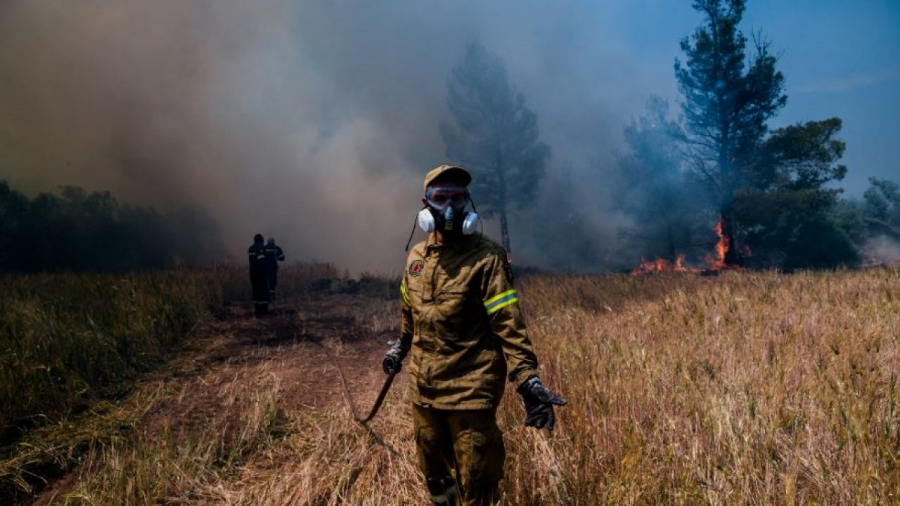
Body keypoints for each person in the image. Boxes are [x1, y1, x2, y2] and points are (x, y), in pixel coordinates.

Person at [382, 164, 566, 506]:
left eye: (458, 198)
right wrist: (400, 346)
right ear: (425, 204)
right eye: (441, 198)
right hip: (424, 390)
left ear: (468, 203)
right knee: (435, 476)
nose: (449, 207)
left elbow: (508, 324)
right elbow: (409, 312)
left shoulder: (487, 258)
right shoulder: (416, 258)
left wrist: (528, 380)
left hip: (471, 390)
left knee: (477, 481)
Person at [248, 233, 269, 316]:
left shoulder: (251, 249)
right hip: (261, 273)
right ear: (261, 240)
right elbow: (262, 261)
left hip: (252, 273)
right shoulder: (261, 248)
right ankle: (263, 310)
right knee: (263, 290)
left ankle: (257, 309)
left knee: (255, 290)